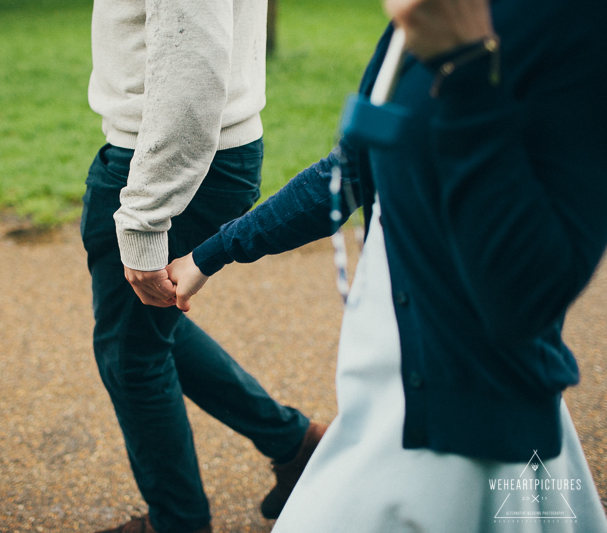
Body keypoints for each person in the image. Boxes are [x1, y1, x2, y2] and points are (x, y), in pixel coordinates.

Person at [164, 0, 607, 530]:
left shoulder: (573, 21)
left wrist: (466, 65)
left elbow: (529, 294)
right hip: (377, 399)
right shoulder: (421, 14)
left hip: (462, 429)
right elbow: (351, 170)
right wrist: (211, 254)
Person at [81, 1, 327, 532]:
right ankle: (295, 443)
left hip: (172, 160)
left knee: (132, 357)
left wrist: (145, 218)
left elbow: (191, 63)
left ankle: (179, 523)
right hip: (188, 153)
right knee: (143, 331)